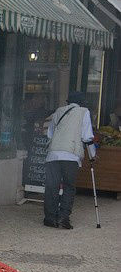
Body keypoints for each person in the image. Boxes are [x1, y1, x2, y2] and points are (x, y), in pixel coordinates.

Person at [43, 91, 97, 229]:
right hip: (70, 155)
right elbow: (87, 137)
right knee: (69, 187)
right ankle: (63, 218)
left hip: (53, 154)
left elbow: (50, 133)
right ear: (82, 102)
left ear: (68, 102)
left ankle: (49, 218)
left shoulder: (59, 111)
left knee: (51, 187)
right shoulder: (84, 112)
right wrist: (92, 155)